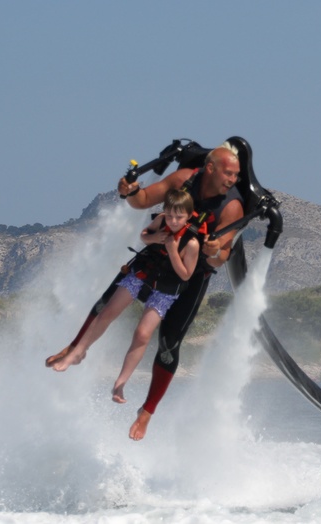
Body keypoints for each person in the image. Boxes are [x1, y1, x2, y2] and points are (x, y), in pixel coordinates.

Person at [47, 142, 244, 441]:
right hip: (153, 259)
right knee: (106, 303)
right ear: (211, 168)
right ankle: (76, 348)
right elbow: (143, 201)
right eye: (228, 173)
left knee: (167, 344)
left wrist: (215, 250)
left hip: (188, 276)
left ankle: (147, 411)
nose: (232, 180)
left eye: (236, 175)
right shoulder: (183, 180)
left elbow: (223, 256)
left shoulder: (232, 206)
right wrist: (130, 192)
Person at [50, 190, 201, 404]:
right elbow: (143, 235)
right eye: (169, 215)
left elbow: (186, 274)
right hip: (143, 274)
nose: (173, 221)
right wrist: (154, 238)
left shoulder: (192, 243)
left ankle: (120, 384)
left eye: (179, 217)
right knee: (108, 311)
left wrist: (172, 250)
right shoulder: (160, 220)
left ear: (189, 216)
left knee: (142, 334)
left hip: (165, 289)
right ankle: (77, 353)